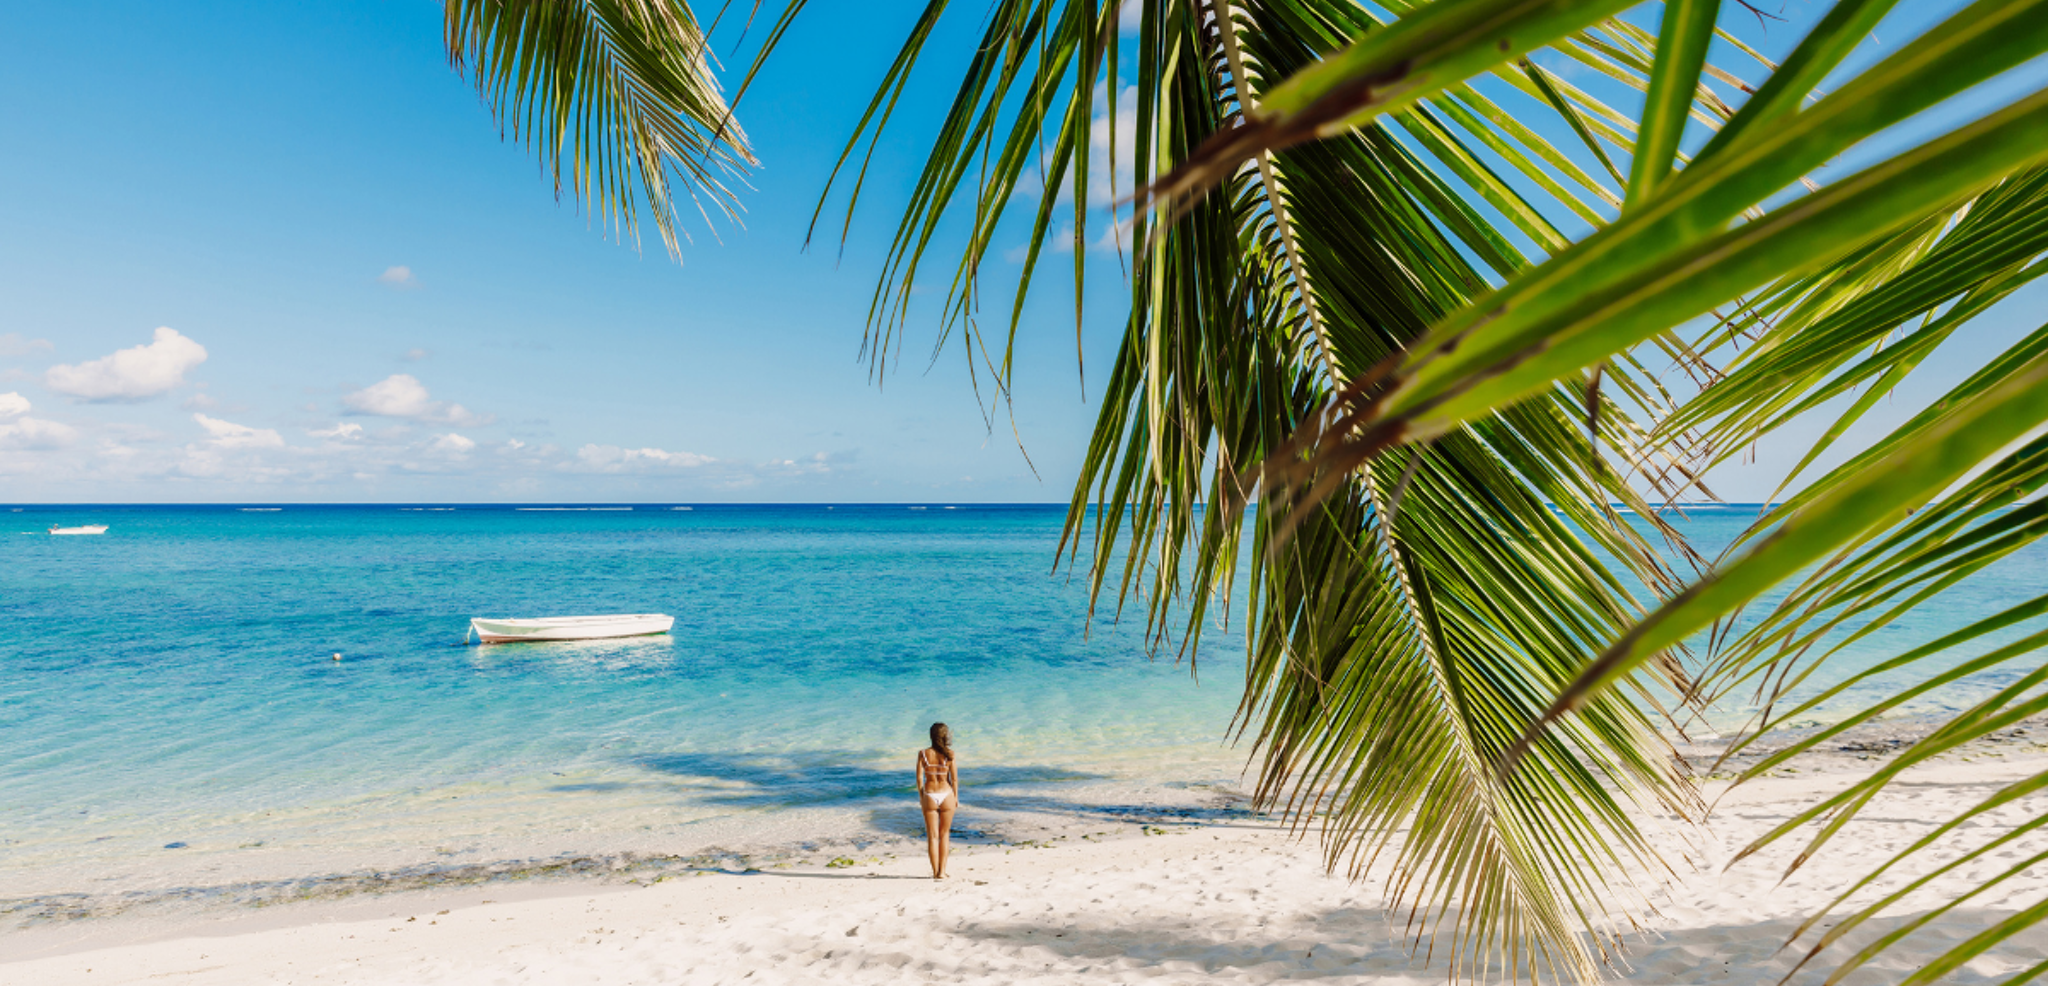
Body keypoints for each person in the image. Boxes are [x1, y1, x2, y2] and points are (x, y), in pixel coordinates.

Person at [915, 722, 958, 879]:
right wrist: (956, 797)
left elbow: (919, 778)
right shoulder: (950, 754)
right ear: (945, 736)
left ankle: (935, 872)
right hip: (946, 794)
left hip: (930, 794)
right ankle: (942, 872)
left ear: (931, 736)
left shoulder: (923, 754)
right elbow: (954, 779)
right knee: (944, 834)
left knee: (932, 836)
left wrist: (922, 796)